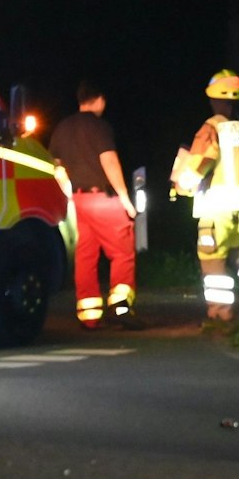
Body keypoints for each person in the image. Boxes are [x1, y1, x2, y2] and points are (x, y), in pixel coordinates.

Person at [171, 69, 239, 322]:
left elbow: (198, 165)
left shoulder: (211, 129)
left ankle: (220, 314)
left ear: (217, 100)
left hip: (215, 210)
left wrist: (181, 184)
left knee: (213, 262)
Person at [48, 80, 136, 327]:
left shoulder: (62, 128)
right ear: (99, 100)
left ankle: (89, 317)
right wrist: (125, 197)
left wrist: (68, 195)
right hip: (104, 200)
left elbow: (57, 167)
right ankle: (120, 310)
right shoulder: (99, 127)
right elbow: (109, 161)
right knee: (122, 253)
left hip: (78, 201)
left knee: (85, 256)